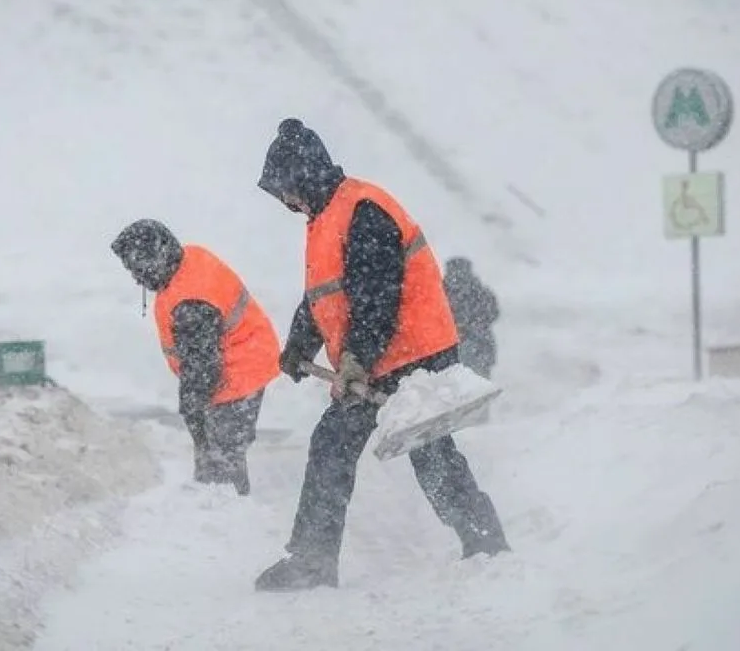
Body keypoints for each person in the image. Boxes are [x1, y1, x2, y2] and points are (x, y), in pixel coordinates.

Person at [252, 118, 510, 591]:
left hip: (414, 355)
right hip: (381, 356)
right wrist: (298, 346)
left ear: (303, 177)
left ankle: (483, 542)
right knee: (368, 447)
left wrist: (355, 359)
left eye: (285, 190)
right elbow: (321, 297)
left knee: (418, 450)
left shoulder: (363, 209)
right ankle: (482, 540)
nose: (286, 203)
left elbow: (377, 298)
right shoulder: (325, 218)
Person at [111, 218, 281, 496]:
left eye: (138, 268)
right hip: (245, 357)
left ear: (157, 257)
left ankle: (226, 517)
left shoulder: (190, 300)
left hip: (238, 371)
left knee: (219, 464)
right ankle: (226, 508)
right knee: (220, 456)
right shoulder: (188, 259)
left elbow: (203, 368)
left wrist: (192, 407)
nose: (136, 278)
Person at [443, 256, 501, 380]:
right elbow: (493, 313)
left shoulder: (440, 292)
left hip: (459, 344)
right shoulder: (480, 291)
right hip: (475, 344)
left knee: (452, 377)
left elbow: (492, 313)